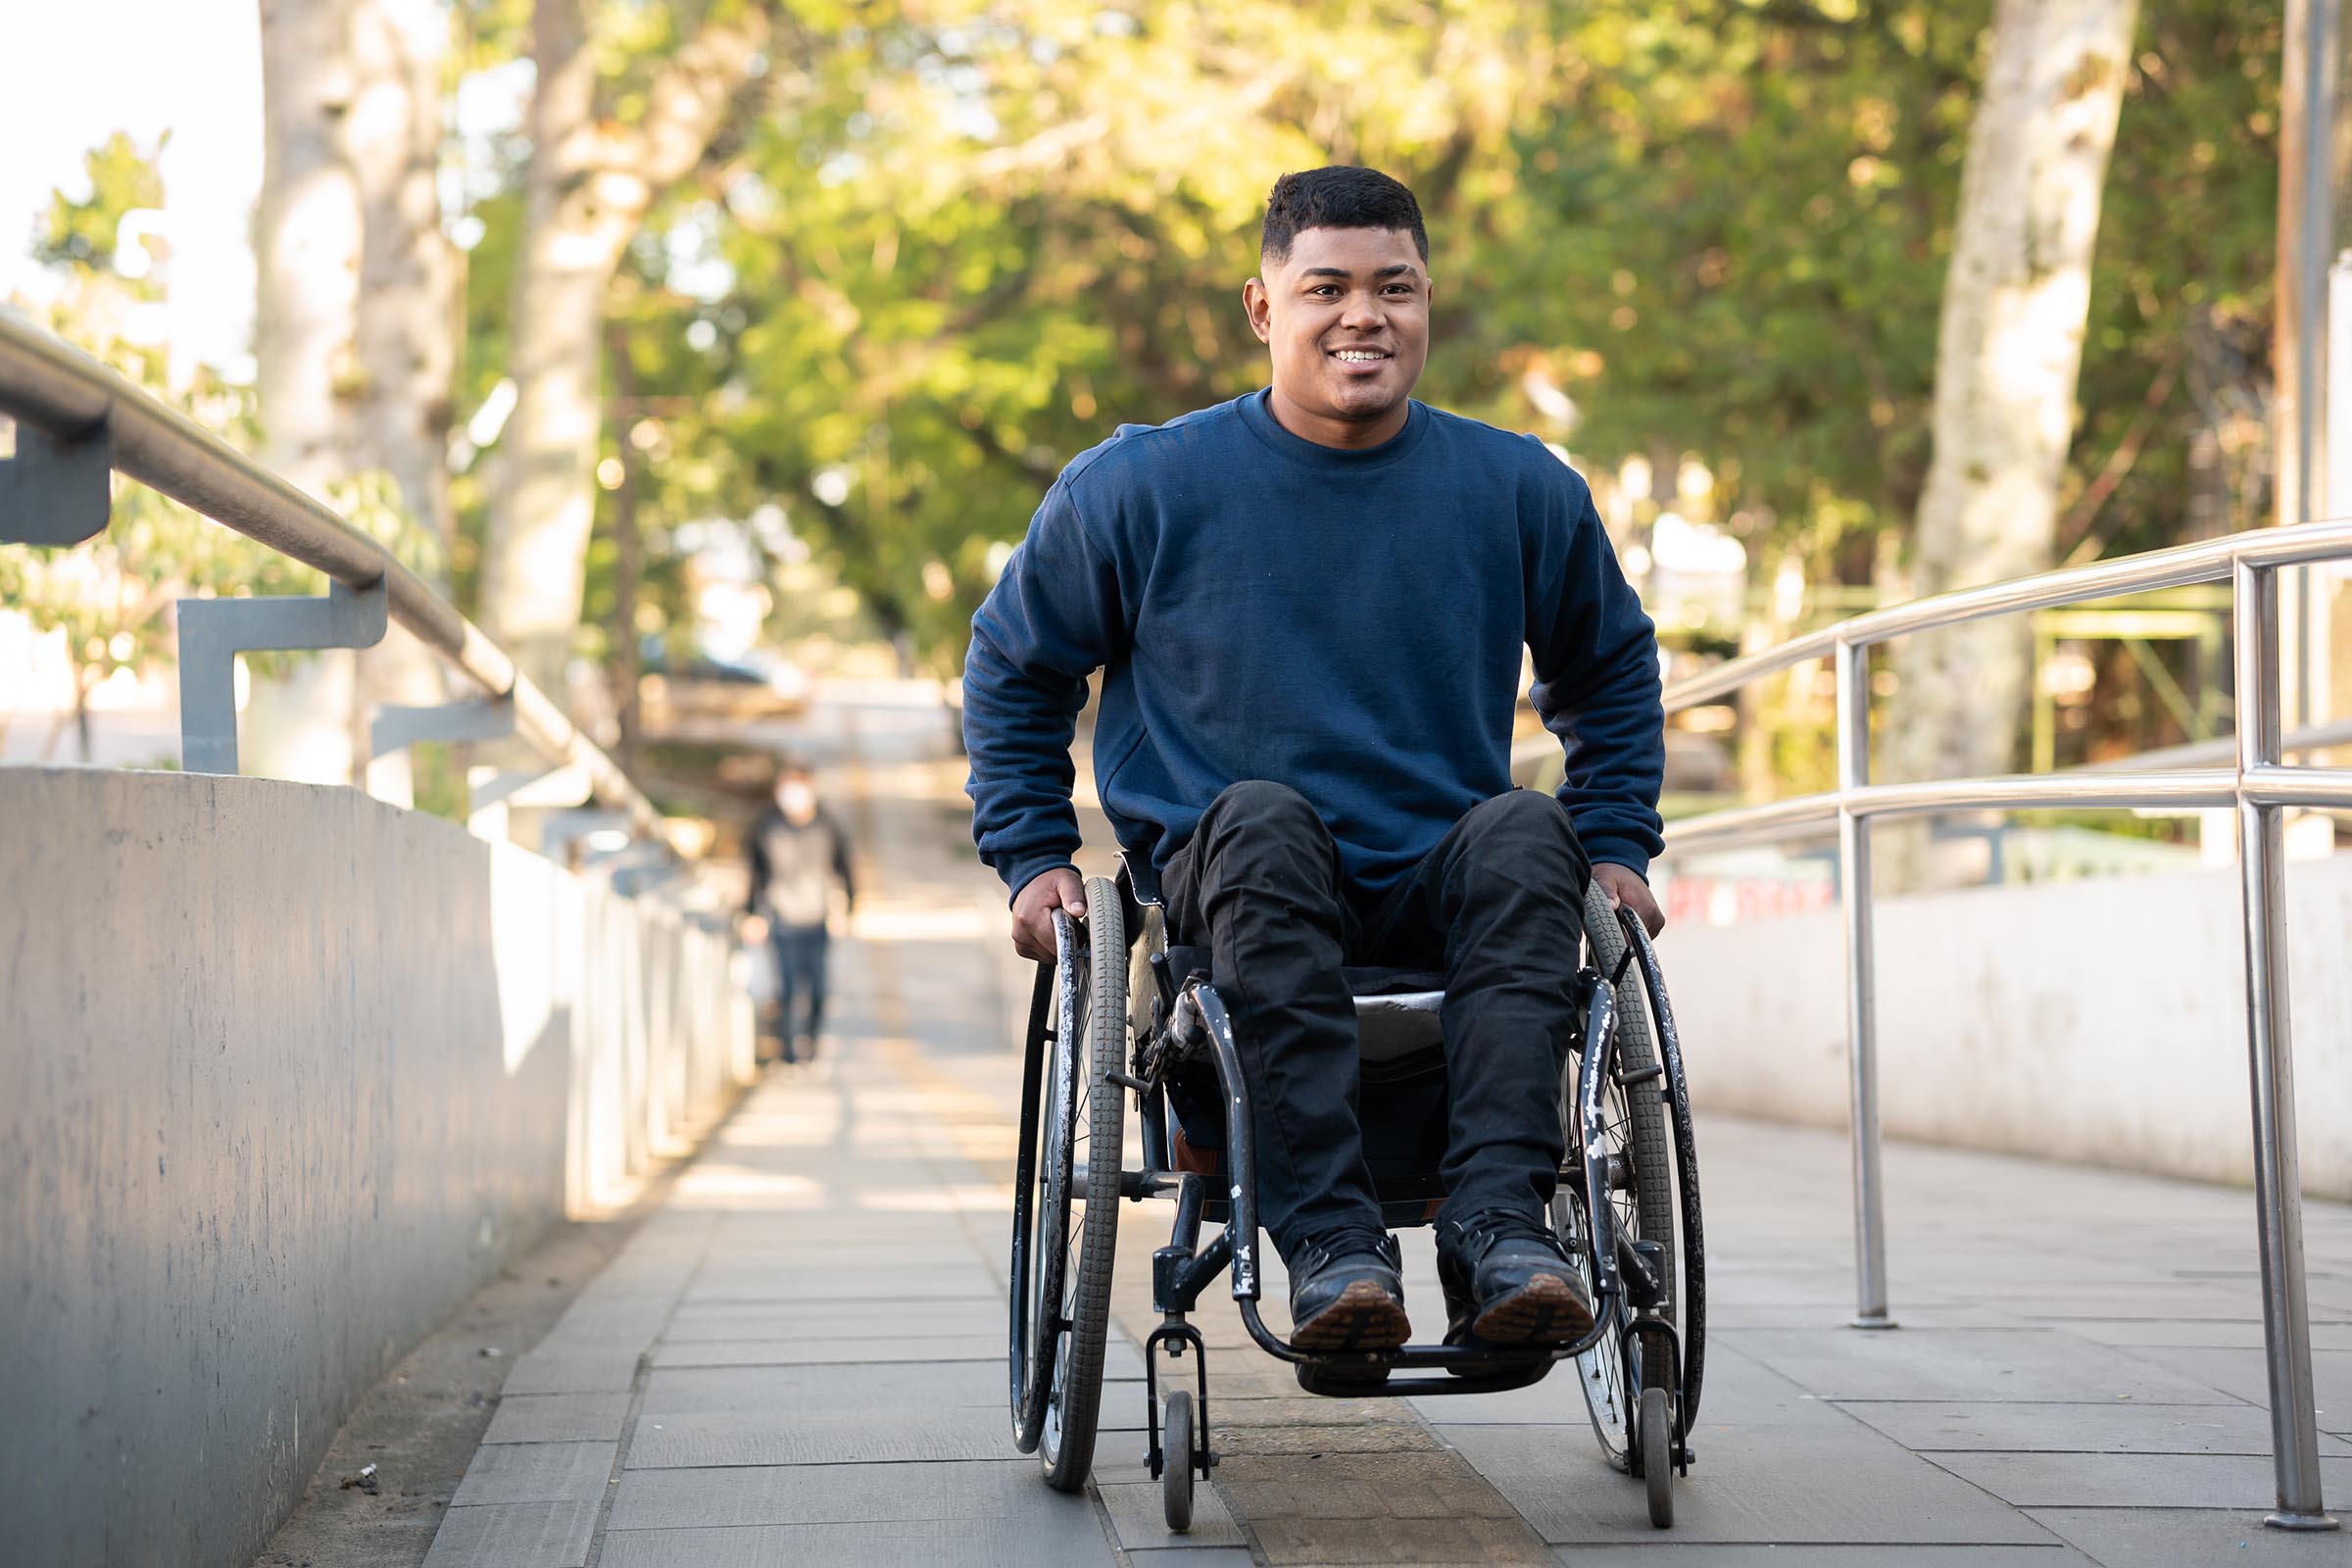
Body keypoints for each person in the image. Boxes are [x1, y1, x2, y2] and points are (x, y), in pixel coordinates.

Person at [962, 167, 1665, 1354]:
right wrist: (1033, 853)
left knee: (1525, 828)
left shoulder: (1518, 488)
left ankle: (1501, 1227)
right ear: (1261, 307)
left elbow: (1608, 669)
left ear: (1428, 301)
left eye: (1396, 288)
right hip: (1237, 880)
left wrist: (1615, 839)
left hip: (1441, 879)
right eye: (1326, 286)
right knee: (1264, 818)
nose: (1364, 315)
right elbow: (1013, 667)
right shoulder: (1140, 487)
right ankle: (1333, 1245)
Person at [742, 760, 856, 1064]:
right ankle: (790, 1055)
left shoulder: (827, 825)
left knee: (818, 990)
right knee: (789, 990)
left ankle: (813, 1045)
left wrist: (849, 907)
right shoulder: (767, 826)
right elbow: (755, 872)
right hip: (781, 919)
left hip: (817, 919)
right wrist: (751, 913)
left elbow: (844, 868)